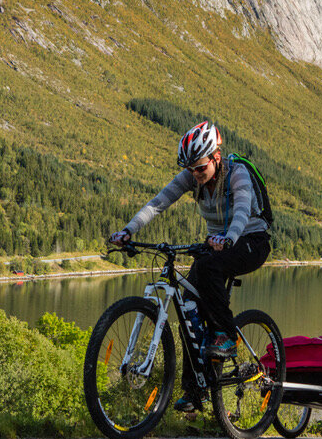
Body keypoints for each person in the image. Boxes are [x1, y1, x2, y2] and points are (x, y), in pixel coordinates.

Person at [110, 120, 271, 413]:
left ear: (215, 157)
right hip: (217, 245)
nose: (195, 174)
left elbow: (244, 206)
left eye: (200, 167)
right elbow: (158, 203)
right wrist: (128, 230)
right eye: (190, 169)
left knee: (209, 269)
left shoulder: (237, 173)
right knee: (189, 309)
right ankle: (196, 392)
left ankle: (227, 338)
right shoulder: (191, 176)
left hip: (251, 241)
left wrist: (230, 237)